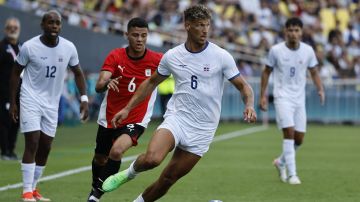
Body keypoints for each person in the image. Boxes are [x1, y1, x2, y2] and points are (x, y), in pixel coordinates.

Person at [102, 5, 257, 202]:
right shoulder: (173, 56)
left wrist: (249, 104)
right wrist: (127, 108)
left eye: (207, 25)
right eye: (200, 25)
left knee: (167, 179)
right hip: (178, 118)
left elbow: (244, 87)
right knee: (152, 159)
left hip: (203, 129)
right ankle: (129, 173)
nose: (204, 30)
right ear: (187, 25)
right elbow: (151, 82)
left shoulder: (221, 56)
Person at [9, 10, 89, 201]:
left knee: (46, 146)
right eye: (50, 22)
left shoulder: (69, 47)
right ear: (42, 25)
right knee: (33, 141)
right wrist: (13, 101)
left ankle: (34, 189)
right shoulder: (29, 47)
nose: (54, 26)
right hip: (30, 98)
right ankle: (26, 191)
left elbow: (78, 73)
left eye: (57, 23)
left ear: (61, 26)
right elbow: (15, 73)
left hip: (52, 103)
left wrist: (84, 98)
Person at [86, 17, 163, 202]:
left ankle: (96, 195)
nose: (139, 39)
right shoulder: (116, 56)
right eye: (135, 35)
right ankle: (95, 187)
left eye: (144, 35)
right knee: (100, 159)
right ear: (126, 35)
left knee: (117, 151)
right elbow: (99, 84)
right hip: (110, 116)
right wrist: (106, 83)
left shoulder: (157, 59)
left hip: (136, 117)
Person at [259, 17, 325, 185]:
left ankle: (281, 162)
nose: (293, 33)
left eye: (297, 30)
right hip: (282, 98)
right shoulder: (276, 51)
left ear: (301, 32)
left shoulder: (308, 51)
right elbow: (266, 72)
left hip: (299, 100)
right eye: (290, 30)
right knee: (289, 132)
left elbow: (314, 72)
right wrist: (263, 95)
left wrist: (320, 89)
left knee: (299, 139)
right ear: (285, 32)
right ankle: (292, 175)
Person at [0, 17, 21, 160]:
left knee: (16, 121)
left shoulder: (22, 47)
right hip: (3, 92)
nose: (12, 29)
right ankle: (5, 151)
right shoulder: (1, 47)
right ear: (5, 29)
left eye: (15, 27)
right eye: (10, 27)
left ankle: (12, 150)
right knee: (4, 121)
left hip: (20, 92)